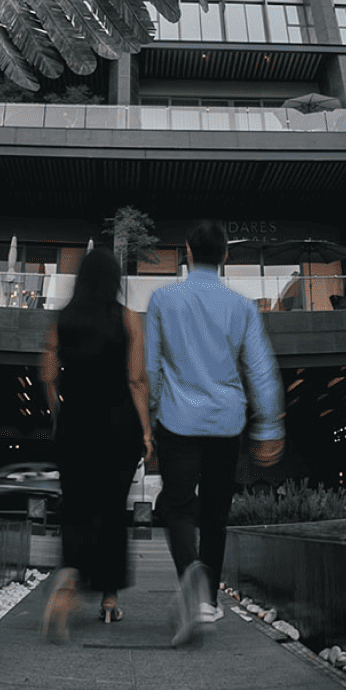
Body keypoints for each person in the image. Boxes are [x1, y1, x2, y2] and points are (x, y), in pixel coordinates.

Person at [145, 220, 284, 645]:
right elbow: (260, 368)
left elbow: (151, 366)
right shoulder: (241, 306)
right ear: (225, 256)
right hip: (227, 423)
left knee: (178, 507)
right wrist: (270, 424)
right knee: (215, 514)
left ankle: (191, 582)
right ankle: (206, 600)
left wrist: (150, 412)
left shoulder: (163, 299)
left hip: (177, 421)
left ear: (187, 251)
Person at [39, 247, 152, 638]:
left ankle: (69, 577)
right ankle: (108, 600)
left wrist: (58, 412)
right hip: (118, 427)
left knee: (77, 506)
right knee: (111, 509)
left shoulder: (64, 319)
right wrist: (147, 431)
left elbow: (48, 371)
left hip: (76, 426)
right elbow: (137, 380)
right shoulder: (128, 320)